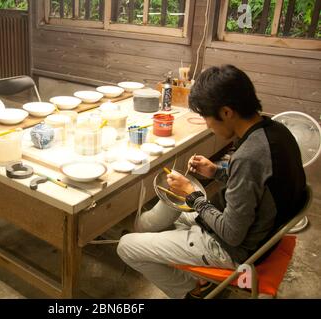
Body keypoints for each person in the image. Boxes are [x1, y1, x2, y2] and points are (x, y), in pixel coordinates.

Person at [117, 64, 306, 299]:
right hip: (260, 230)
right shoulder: (277, 130)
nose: (207, 124)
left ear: (226, 112)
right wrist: (216, 172)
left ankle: (193, 290)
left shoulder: (249, 157)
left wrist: (192, 195)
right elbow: (259, 187)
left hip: (236, 249)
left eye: (207, 116)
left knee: (126, 246)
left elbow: (232, 233)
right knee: (164, 220)